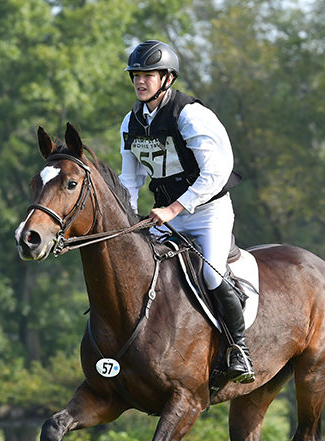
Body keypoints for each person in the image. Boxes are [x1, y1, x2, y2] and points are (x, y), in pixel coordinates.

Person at [119, 40, 254, 384]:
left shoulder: (190, 115)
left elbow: (216, 173)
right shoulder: (130, 122)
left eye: (148, 74)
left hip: (208, 211)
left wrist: (175, 207)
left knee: (211, 275)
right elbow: (130, 180)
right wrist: (127, 221)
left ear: (167, 78)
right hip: (165, 215)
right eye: (136, 75)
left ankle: (239, 349)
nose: (140, 81)